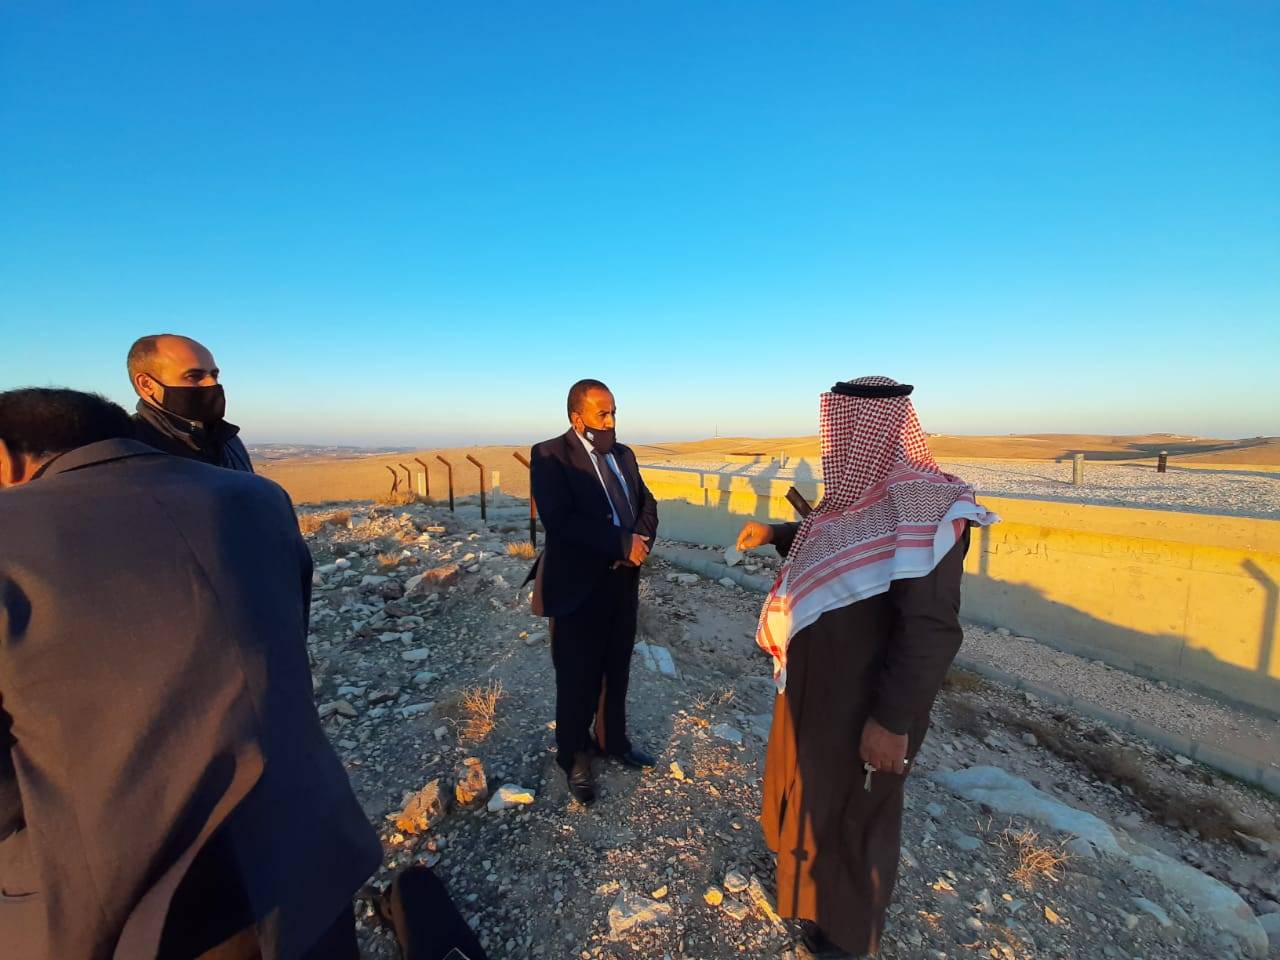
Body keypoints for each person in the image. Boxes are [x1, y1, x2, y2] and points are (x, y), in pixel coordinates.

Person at [0, 387, 380, 960]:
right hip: (306, 852)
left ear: (5, 456)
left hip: (121, 908)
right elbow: (283, 639)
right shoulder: (259, 498)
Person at [735, 377, 997, 958]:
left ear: (869, 430)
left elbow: (931, 629)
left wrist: (892, 721)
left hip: (867, 703)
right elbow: (840, 544)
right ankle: (812, 904)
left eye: (842, 430)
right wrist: (777, 534)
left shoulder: (927, 509)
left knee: (856, 815)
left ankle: (846, 937)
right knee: (814, 798)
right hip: (817, 691)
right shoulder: (857, 500)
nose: (835, 444)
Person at [528, 379, 659, 805]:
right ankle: (574, 757)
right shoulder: (550, 455)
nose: (610, 421)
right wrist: (620, 544)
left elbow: (647, 503)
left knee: (616, 668)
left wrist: (639, 544)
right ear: (576, 417)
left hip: (623, 582)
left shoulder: (624, 455)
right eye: (602, 414)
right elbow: (560, 519)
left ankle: (612, 740)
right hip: (578, 587)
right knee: (577, 677)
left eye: (614, 412)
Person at [128, 333, 254, 471]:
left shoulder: (228, 440)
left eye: (214, 375)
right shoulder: (130, 449)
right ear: (146, 384)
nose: (212, 383)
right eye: (194, 376)